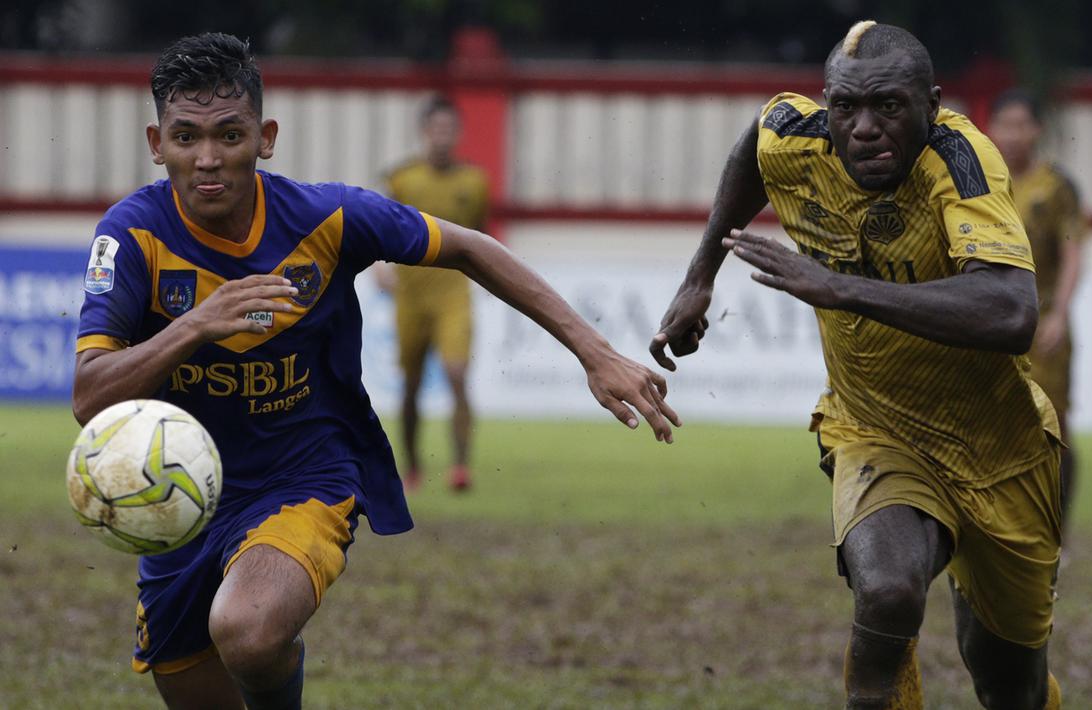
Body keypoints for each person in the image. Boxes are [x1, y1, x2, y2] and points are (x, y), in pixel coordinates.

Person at [72, 32, 677, 710]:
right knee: (194, 682)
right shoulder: (131, 237)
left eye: (229, 135)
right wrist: (193, 327)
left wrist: (594, 353)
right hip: (178, 504)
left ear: (265, 137)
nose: (207, 159)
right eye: (185, 138)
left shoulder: (325, 216)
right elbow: (89, 396)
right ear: (157, 145)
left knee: (245, 631)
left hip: (301, 474)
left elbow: (472, 248)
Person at [652, 21, 1062, 710]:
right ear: (826, 105)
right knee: (887, 590)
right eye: (845, 108)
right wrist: (700, 275)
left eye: (889, 107)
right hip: (874, 431)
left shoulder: (962, 161)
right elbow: (756, 146)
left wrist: (840, 288)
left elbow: (1008, 309)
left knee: (1006, 684)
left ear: (930, 106)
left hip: (1001, 451)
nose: (863, 128)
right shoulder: (794, 132)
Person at [377, 96, 488, 492]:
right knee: (411, 385)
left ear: (456, 134)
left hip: (452, 293)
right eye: (435, 130)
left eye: (448, 130)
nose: (442, 138)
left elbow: (481, 237)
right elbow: (378, 228)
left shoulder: (474, 183)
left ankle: (461, 467)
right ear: (424, 132)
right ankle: (411, 468)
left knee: (457, 375)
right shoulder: (403, 180)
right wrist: (379, 269)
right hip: (410, 295)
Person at [988, 89, 1087, 530]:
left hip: (1041, 321)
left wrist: (1060, 315)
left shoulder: (1054, 187)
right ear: (991, 129)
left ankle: (1057, 531)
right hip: (989, 321)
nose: (1012, 135)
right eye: (1004, 125)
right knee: (989, 426)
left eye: (1020, 125)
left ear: (1036, 130)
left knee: (1055, 430)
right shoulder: (981, 184)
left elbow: (1072, 253)